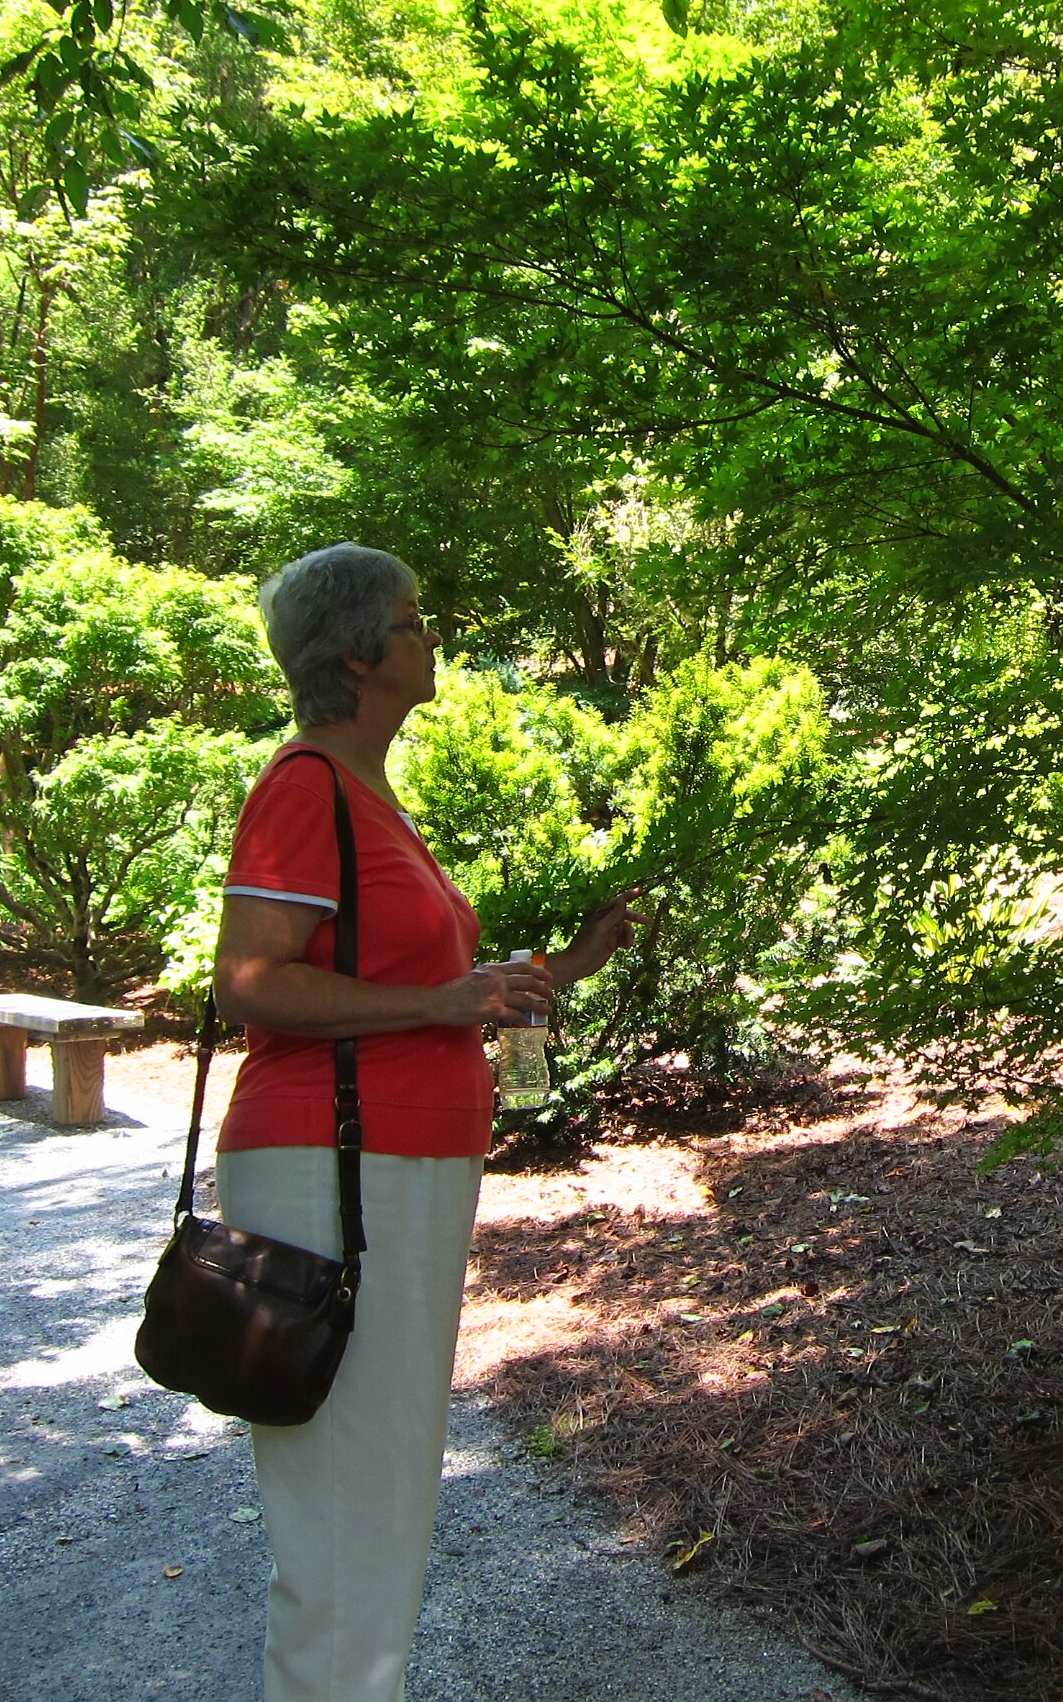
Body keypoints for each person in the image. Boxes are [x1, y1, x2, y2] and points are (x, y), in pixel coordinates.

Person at [211, 541, 640, 1702]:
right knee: (349, 1499)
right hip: (332, 1169)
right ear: (358, 654)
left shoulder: (368, 794)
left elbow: (429, 987)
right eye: (413, 619)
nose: (430, 635)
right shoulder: (304, 786)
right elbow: (249, 981)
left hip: (392, 1168)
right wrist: (441, 1003)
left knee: (384, 1483)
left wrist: (563, 964)